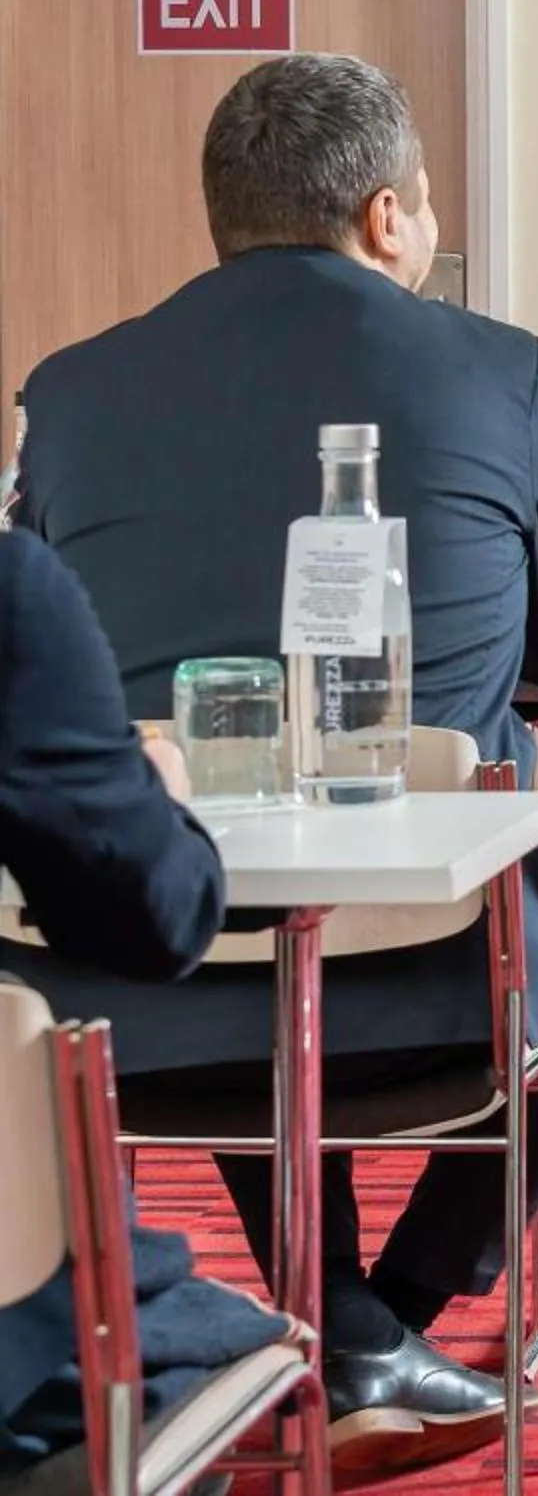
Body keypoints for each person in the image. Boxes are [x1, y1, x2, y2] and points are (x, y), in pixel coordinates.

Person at [10, 54, 538, 1483]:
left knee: (247, 942)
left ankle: (331, 1319)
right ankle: (395, 1315)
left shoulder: (69, 391)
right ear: (387, 216)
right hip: (436, 966)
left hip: (116, 988)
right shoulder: (495, 369)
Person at [0, 533, 288, 1488]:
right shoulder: (11, 592)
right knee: (181, 1377)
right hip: (23, 1339)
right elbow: (154, 920)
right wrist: (161, 796)